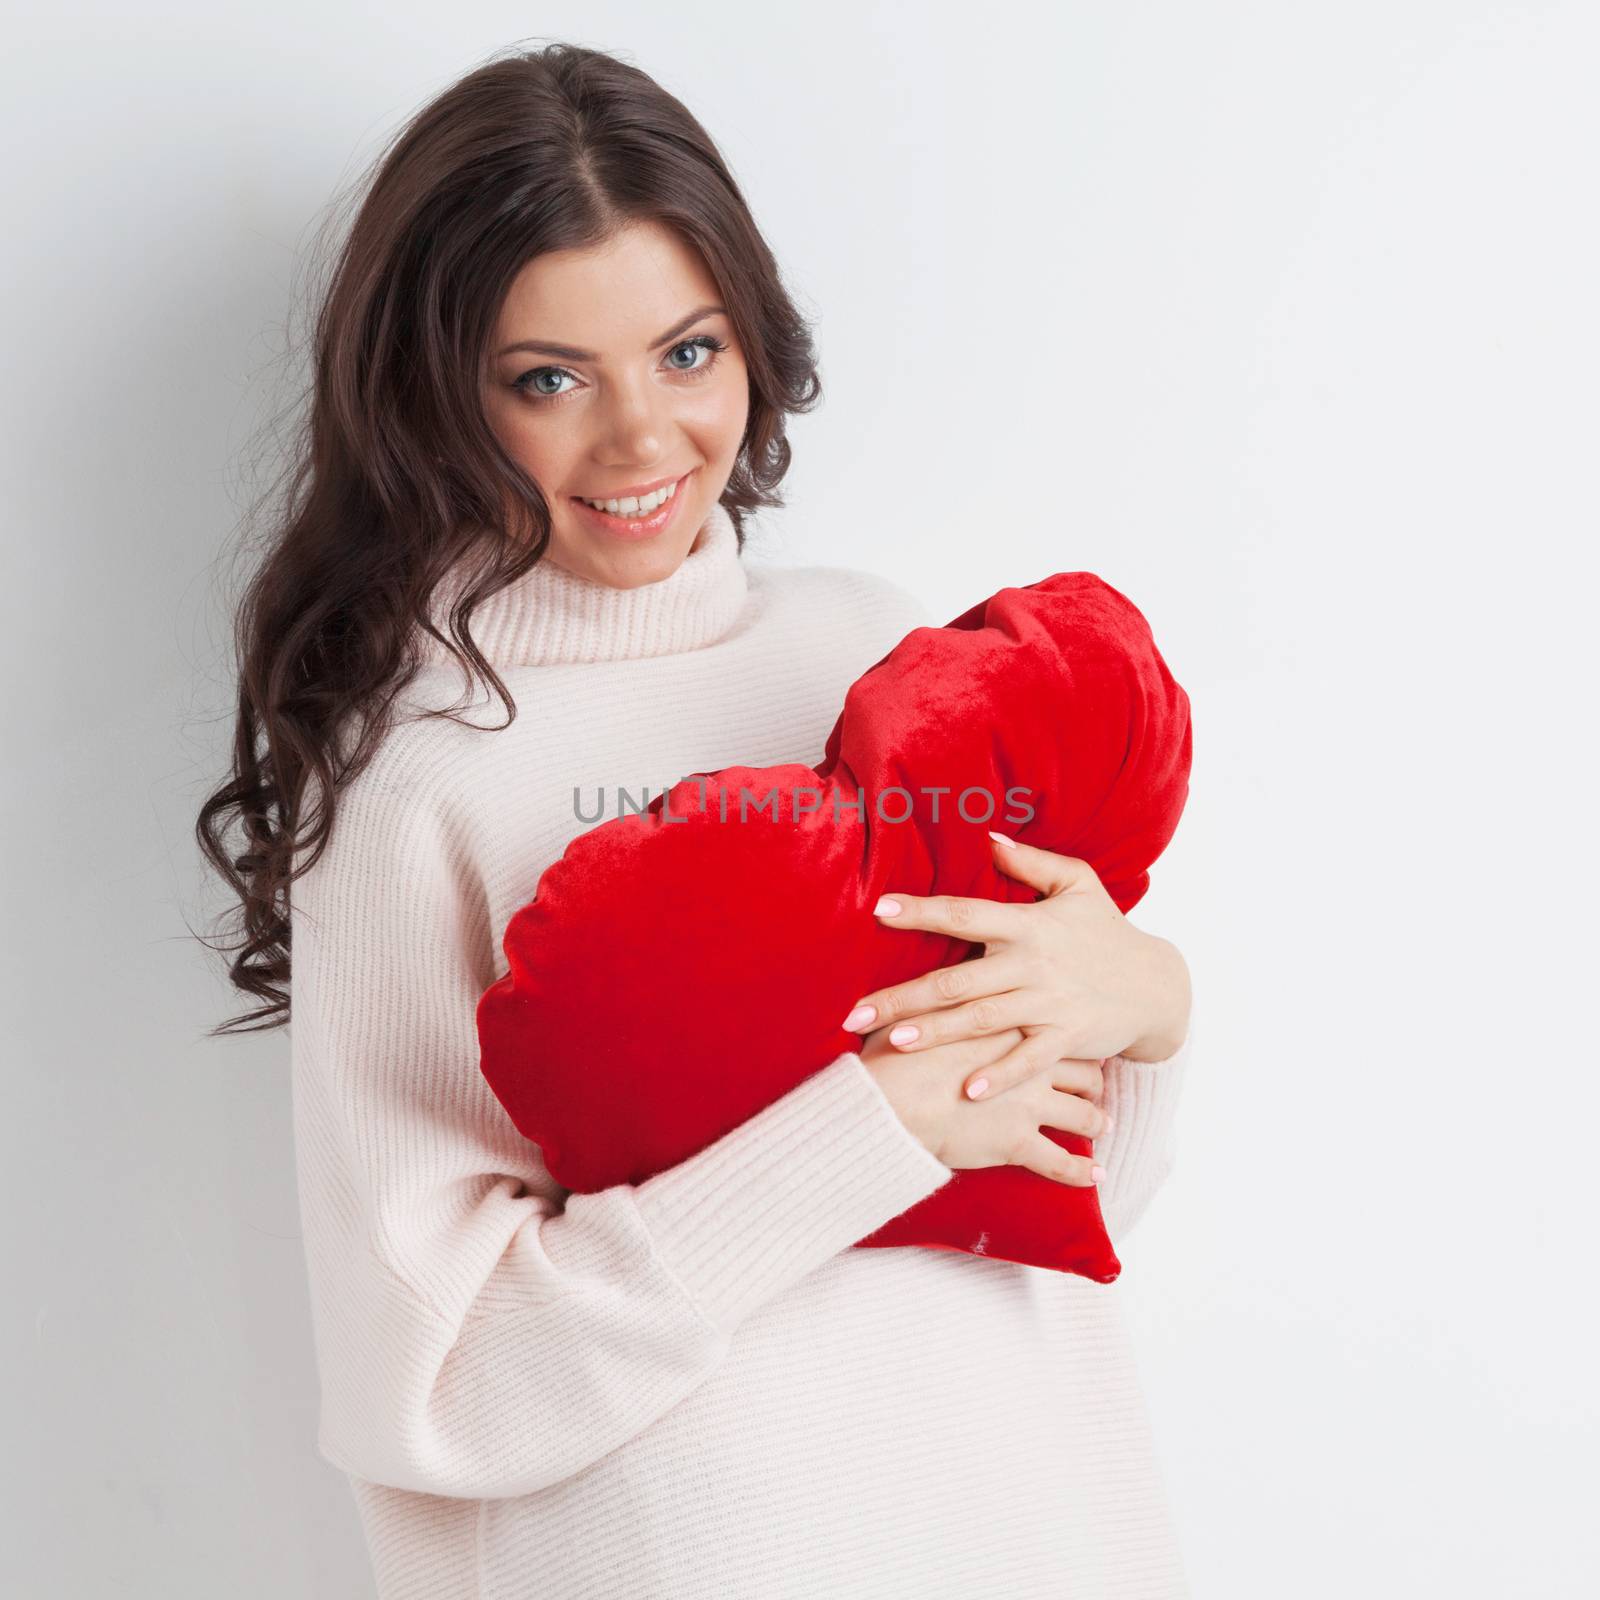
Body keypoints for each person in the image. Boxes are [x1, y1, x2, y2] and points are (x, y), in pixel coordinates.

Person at [196, 42, 1195, 1599]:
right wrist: (865, 1132)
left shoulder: (875, 654)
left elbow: (1071, 1189)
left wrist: (1149, 1010)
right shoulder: (420, 783)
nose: (643, 442)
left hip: (1043, 1519)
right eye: (548, 378)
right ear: (432, 398)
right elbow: (437, 1380)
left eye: (686, 353)